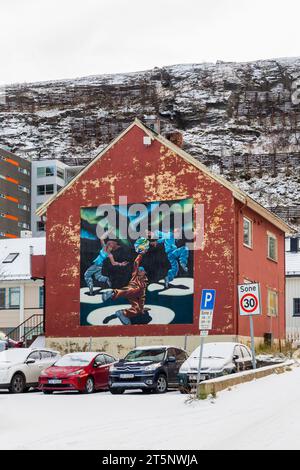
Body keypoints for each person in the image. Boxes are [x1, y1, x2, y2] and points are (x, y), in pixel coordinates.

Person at [102, 253, 149, 325]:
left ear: (144, 272)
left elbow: (142, 295)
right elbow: (136, 262)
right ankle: (112, 293)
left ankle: (122, 313)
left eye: (142, 271)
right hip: (131, 289)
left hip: (135, 297)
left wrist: (141, 308)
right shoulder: (135, 274)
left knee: (137, 310)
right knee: (133, 289)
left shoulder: (144, 282)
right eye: (139, 271)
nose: (140, 272)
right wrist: (141, 254)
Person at [84, 230, 128, 295]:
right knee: (98, 277)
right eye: (109, 245)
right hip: (99, 266)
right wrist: (108, 231)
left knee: (86, 275)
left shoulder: (109, 254)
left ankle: (91, 290)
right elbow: (101, 238)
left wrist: (121, 264)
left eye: (111, 247)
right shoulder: (104, 248)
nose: (110, 247)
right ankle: (106, 279)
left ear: (112, 248)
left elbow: (113, 263)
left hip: (97, 265)